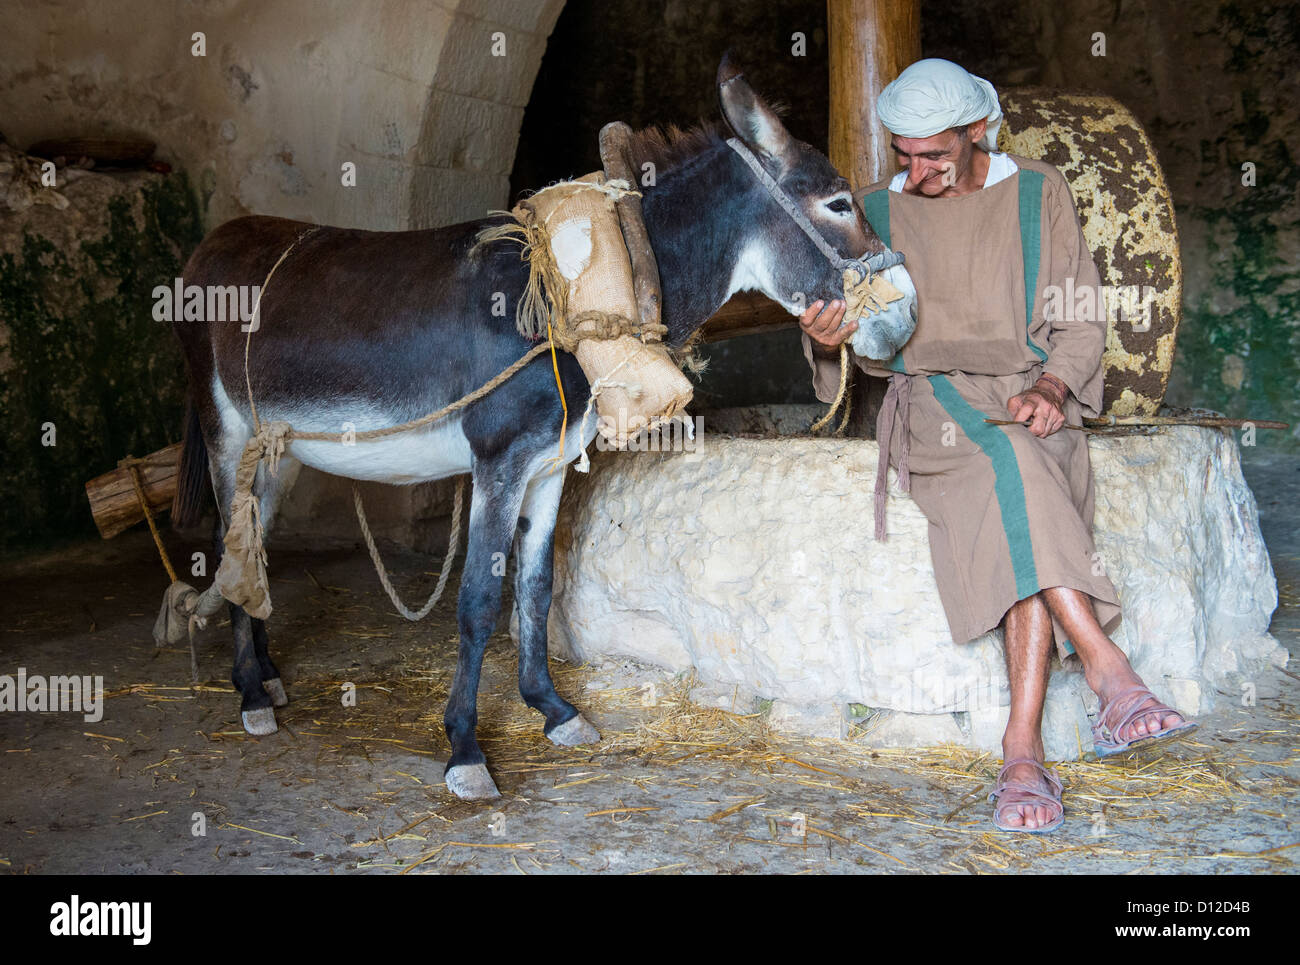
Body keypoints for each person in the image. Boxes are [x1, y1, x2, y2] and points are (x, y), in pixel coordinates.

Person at [799, 58, 1196, 833]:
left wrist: (1052, 389)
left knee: (1023, 470)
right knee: (1010, 462)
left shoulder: (1039, 193)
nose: (916, 172)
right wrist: (823, 339)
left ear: (979, 131)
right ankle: (1109, 671)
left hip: (1029, 394)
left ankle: (1022, 753)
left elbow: (1081, 317)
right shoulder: (877, 209)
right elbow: (859, 339)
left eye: (936, 155)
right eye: (904, 154)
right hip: (934, 400)